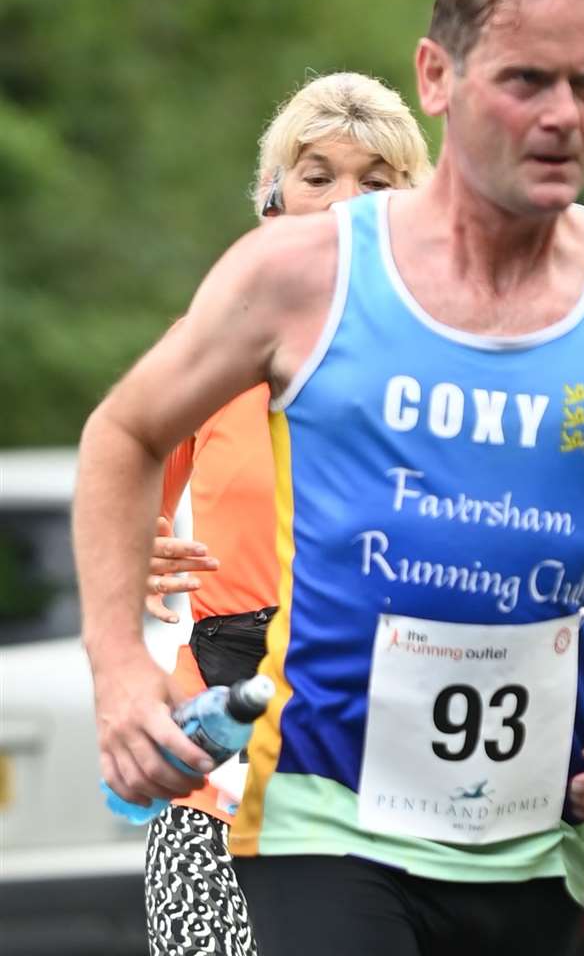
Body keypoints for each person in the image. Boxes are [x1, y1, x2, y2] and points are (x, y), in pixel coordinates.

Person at [73, 0, 584, 956]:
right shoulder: (302, 276)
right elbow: (123, 435)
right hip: (317, 810)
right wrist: (122, 666)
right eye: (526, 81)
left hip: (531, 836)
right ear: (437, 77)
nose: (562, 116)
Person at [138, 71, 432, 956]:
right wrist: (129, 552)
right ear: (273, 200)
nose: (346, 200)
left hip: (389, 716)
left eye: (377, 183)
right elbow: (120, 461)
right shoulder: (214, 341)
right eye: (318, 175)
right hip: (225, 711)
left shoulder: (451, 360)